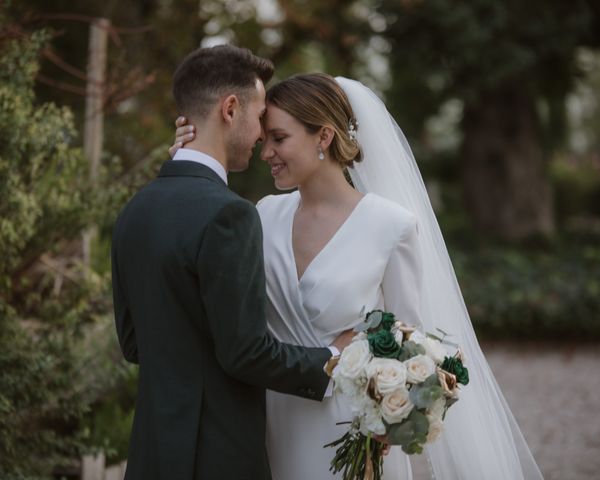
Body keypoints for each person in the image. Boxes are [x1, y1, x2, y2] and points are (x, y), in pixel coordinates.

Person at [171, 72, 544, 479]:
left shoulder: (391, 225)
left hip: (349, 429)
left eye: (279, 138)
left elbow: (409, 343)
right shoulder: (262, 215)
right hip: (269, 420)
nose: (267, 154)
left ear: (324, 137)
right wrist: (184, 165)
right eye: (265, 141)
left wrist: (391, 417)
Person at [111, 45, 354, 480]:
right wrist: (334, 359)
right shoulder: (230, 214)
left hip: (152, 455)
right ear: (229, 109)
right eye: (260, 116)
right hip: (218, 458)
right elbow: (245, 352)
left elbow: (133, 343)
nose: (263, 134)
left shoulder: (136, 210)